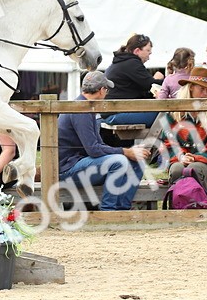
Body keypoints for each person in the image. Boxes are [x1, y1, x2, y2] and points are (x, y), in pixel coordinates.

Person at [57, 70, 150, 211]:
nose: (106, 94)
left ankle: (122, 210)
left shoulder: (85, 106)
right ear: (101, 90)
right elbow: (94, 149)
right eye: (106, 90)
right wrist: (125, 151)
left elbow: (97, 147)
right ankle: (108, 211)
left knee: (137, 161)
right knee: (120, 161)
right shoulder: (81, 110)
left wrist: (127, 153)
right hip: (67, 171)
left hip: (77, 166)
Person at [155, 67, 207, 189]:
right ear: (191, 88)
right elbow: (168, 142)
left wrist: (195, 158)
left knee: (194, 169)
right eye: (202, 89)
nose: (205, 94)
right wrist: (181, 156)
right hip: (179, 159)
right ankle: (177, 204)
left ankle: (201, 205)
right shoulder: (174, 113)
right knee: (177, 170)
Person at [101, 33, 159, 128]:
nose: (150, 53)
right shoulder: (132, 63)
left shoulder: (122, 62)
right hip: (116, 114)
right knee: (165, 116)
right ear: (137, 51)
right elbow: (150, 84)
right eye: (148, 50)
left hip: (111, 112)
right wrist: (168, 79)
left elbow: (139, 91)